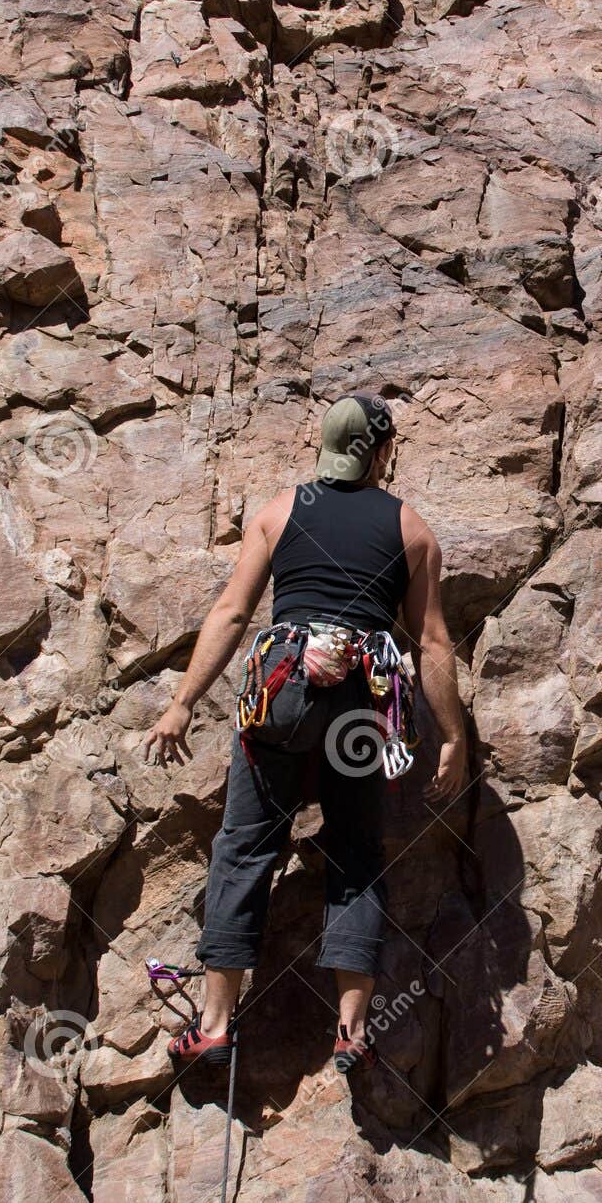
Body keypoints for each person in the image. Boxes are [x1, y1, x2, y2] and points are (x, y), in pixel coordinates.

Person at [142, 393, 465, 1072]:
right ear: (382, 452)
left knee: (244, 847)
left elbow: (232, 614)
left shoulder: (279, 512)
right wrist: (452, 737)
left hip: (283, 691)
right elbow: (432, 641)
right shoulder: (410, 528)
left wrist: (181, 703)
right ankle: (351, 1030)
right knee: (356, 852)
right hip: (362, 703)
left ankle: (215, 1026)